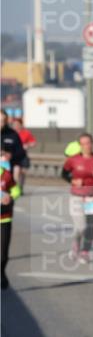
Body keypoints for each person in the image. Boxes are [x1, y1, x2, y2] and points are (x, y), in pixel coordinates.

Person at [61, 132, 93, 263]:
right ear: (80, 145)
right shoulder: (73, 160)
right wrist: (74, 181)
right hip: (78, 197)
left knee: (91, 227)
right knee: (80, 227)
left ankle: (85, 251)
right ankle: (76, 244)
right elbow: (64, 174)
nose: (87, 146)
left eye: (89, 143)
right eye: (84, 143)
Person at [1, 148, 23, 290]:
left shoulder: (7, 175)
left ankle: (1, 272)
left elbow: (16, 190)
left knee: (3, 252)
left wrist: (11, 197)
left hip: (4, 218)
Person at [1, 110, 28, 190]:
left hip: (8, 168)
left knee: (17, 167)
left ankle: (15, 188)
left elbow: (21, 152)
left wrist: (10, 155)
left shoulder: (12, 134)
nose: (0, 123)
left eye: (2, 121)